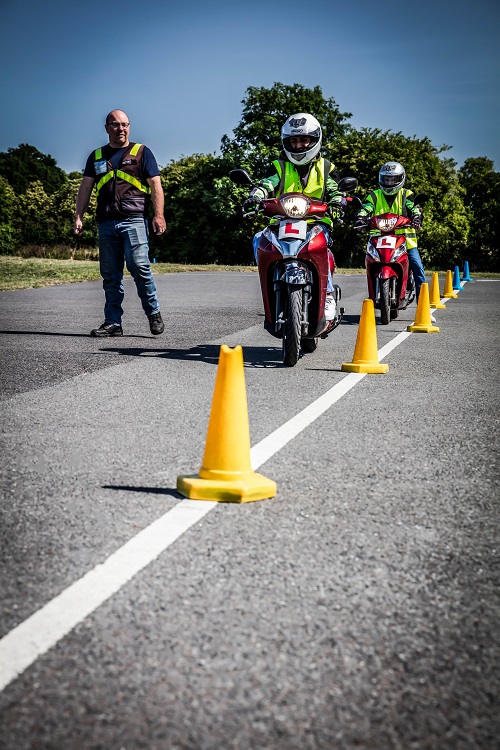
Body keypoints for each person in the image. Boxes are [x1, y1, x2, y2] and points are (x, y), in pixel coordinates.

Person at [243, 113, 344, 320]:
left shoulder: (326, 167)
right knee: (257, 239)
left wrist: (338, 202)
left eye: (303, 140)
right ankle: (272, 282)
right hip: (282, 221)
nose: (298, 145)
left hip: (315, 222)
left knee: (323, 248)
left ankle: (329, 294)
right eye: (293, 141)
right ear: (286, 142)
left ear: (315, 140)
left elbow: (335, 189)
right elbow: (266, 184)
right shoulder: (279, 165)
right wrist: (255, 197)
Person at [75, 109, 166, 337]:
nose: (121, 129)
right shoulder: (96, 156)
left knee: (139, 266)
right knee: (110, 275)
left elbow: (156, 185)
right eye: (115, 125)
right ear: (107, 128)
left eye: (125, 124)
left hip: (134, 220)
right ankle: (113, 322)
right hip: (106, 222)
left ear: (129, 127)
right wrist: (78, 216)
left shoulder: (142, 152)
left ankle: (153, 312)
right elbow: (85, 188)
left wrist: (158, 215)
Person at [354, 161, 427, 299]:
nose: (389, 182)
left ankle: (424, 308)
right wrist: (360, 218)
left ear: (400, 179)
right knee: (370, 263)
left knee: (418, 268)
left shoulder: (407, 194)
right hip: (379, 240)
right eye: (386, 179)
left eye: (393, 179)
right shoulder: (374, 195)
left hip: (405, 241)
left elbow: (413, 207)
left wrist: (417, 216)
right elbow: (366, 208)